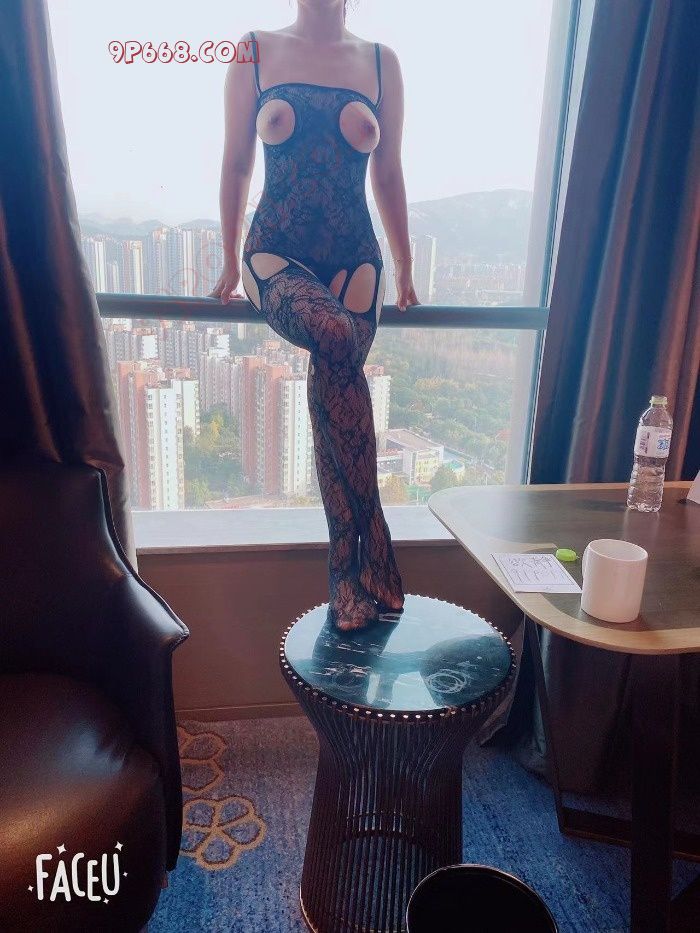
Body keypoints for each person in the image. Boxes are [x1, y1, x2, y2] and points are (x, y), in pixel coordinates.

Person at [211, 0, 418, 631]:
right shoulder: (253, 47)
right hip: (273, 252)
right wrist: (227, 259)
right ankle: (373, 542)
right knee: (334, 337)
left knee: (334, 378)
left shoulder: (382, 62)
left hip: (357, 258)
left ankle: (347, 579)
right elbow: (237, 163)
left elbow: (388, 173)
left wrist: (406, 266)